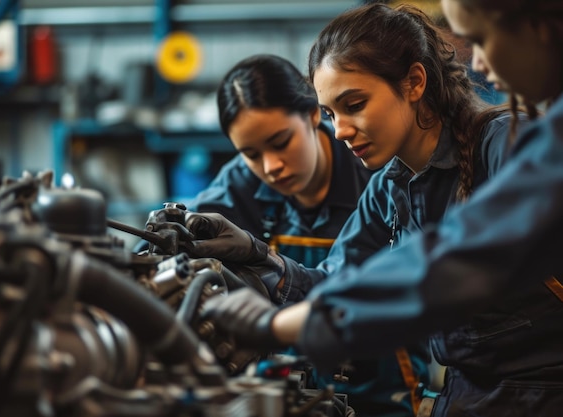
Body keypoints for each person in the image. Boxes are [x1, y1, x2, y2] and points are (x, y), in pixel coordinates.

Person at [184, 1, 563, 416]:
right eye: (330, 113)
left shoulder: (505, 147)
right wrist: (262, 259)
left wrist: (280, 327)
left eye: (355, 104)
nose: (340, 131)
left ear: (414, 82)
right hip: (465, 395)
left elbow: (456, 264)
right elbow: (335, 283)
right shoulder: (389, 186)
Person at [183, 54, 427, 417]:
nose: (271, 166)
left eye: (281, 142)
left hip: (382, 383)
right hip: (290, 382)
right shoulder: (240, 183)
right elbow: (170, 245)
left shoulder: (375, 179)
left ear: (314, 114)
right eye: (251, 154)